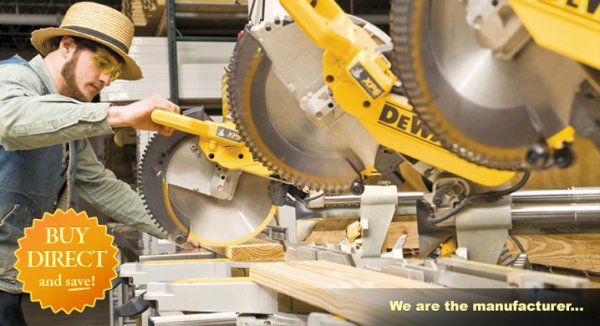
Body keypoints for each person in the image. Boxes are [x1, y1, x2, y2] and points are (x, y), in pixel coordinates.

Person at [0, 2, 184, 323]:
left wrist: (179, 227)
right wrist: (120, 114)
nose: (106, 80)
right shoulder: (13, 77)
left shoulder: (67, 122)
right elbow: (10, 123)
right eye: (102, 63)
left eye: (113, 72)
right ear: (67, 46)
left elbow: (102, 186)